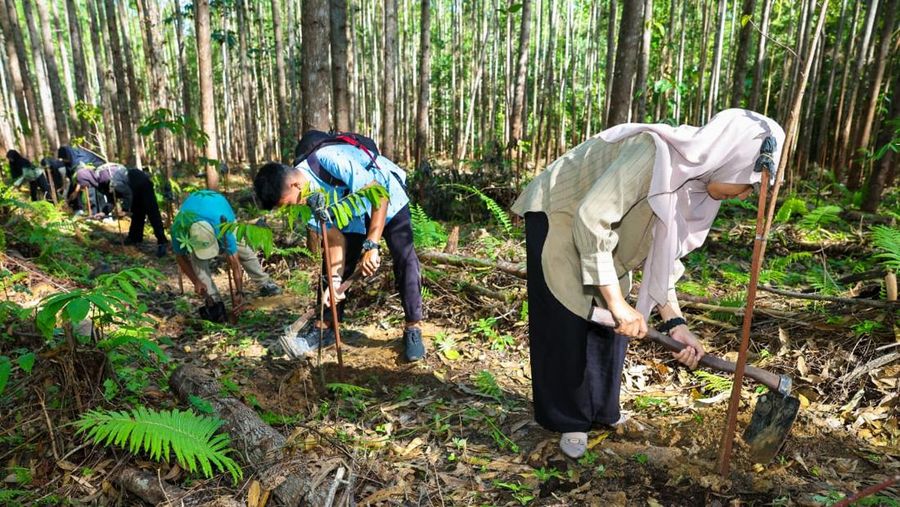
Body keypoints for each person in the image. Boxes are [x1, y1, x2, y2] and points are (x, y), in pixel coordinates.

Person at [510, 109, 785, 458]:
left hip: (608, 233)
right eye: (748, 183)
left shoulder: (699, 187)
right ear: (731, 156)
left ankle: (601, 411)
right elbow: (591, 217)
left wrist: (675, 323)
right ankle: (569, 419)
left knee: (614, 319)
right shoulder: (652, 151)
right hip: (563, 213)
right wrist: (616, 303)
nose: (745, 195)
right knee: (569, 316)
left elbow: (662, 256)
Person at [253, 130, 425, 362]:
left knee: (404, 257)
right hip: (352, 215)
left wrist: (372, 245)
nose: (291, 208)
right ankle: (325, 328)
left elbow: (379, 196)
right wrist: (334, 282)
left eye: (289, 203)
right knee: (330, 267)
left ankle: (413, 327)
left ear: (294, 184)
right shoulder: (305, 202)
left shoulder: (331, 159)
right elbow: (334, 239)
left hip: (388, 199)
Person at [172, 190, 281, 320]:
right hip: (198, 214)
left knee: (243, 250)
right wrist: (196, 281)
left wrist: (239, 292)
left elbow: (234, 262)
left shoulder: (223, 226)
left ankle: (264, 282)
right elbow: (180, 258)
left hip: (218, 208)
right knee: (198, 261)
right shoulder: (179, 227)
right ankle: (213, 300)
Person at [71, 164, 168, 257]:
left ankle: (162, 241)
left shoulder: (105, 177)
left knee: (151, 211)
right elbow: (112, 199)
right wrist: (103, 212)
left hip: (140, 182)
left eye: (83, 183)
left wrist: (125, 209)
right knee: (138, 212)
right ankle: (135, 238)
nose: (84, 187)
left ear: (86, 178)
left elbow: (127, 193)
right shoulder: (99, 181)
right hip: (131, 186)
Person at [57, 146, 105, 213]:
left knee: (93, 191)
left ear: (68, 156)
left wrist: (76, 191)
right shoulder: (69, 161)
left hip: (95, 169)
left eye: (64, 158)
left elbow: (80, 178)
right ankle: (78, 209)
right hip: (82, 173)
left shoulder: (79, 160)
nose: (63, 160)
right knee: (74, 188)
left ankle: (99, 212)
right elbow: (71, 177)